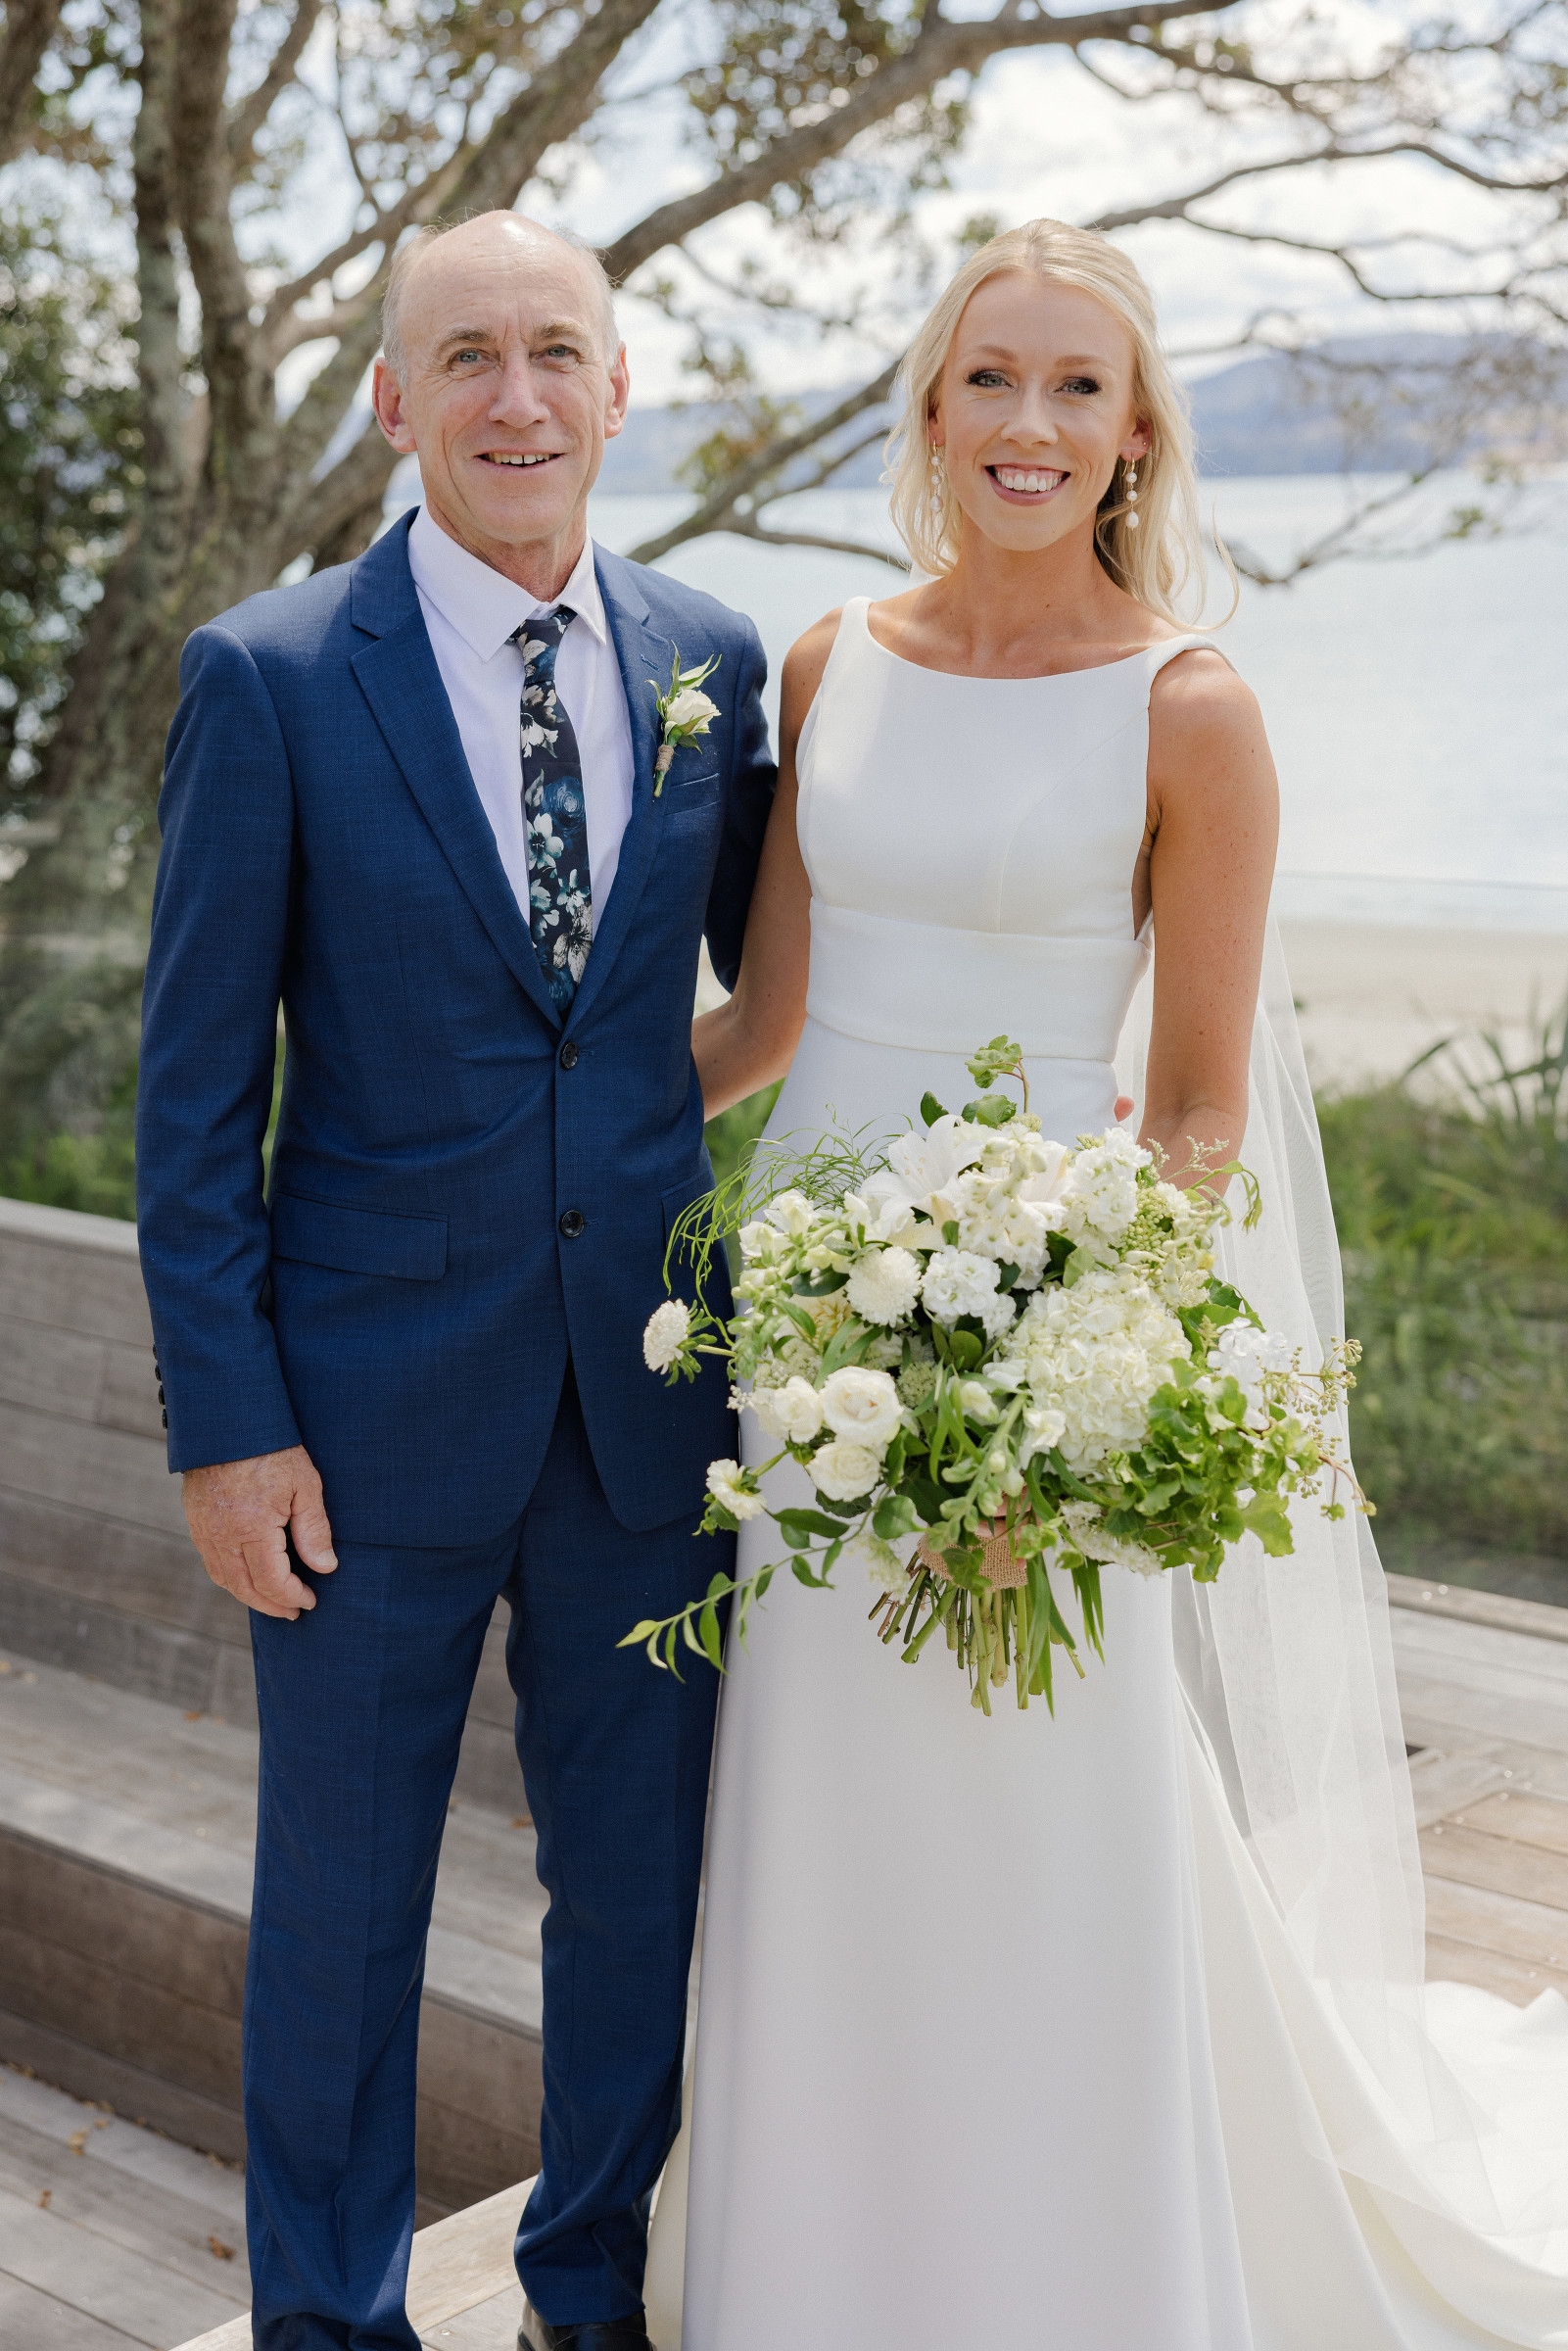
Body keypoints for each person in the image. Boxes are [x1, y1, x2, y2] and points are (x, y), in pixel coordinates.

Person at [654, 219, 1568, 2348]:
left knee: (1048, 1801)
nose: (1031, 423)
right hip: (809, 1337)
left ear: (1137, 431)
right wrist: (525, 1135)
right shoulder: (829, 662)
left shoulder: (1193, 709)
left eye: (1079, 386)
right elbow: (768, 1023)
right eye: (993, 377)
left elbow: (1197, 1115)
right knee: (827, 1796)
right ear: (932, 406)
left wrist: (1055, 1383)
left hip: (1046, 1354)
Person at [135, 212, 778, 2351]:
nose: (519, 397)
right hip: (358, 1424)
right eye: (469, 357)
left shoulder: (711, 659)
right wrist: (229, 1429)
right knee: (340, 1918)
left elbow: (767, 990)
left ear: (619, 388)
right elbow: (192, 1106)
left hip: (650, 1408)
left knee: (638, 1896)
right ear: (394, 400)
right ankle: (330, 2325)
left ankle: (582, 2289)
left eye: (557, 351)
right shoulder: (269, 675)